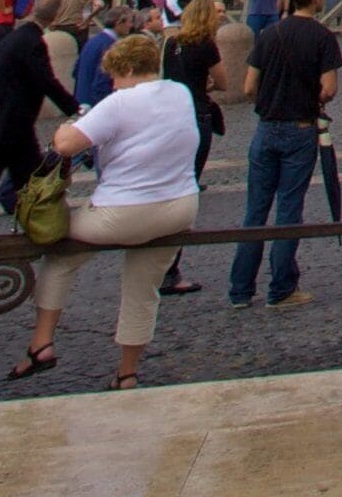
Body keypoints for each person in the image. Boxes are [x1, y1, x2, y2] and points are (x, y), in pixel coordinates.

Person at [12, 34, 201, 390]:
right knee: (144, 289)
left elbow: (67, 145)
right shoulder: (180, 92)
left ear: (128, 69)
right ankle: (127, 372)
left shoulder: (119, 102)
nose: (113, 84)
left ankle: (42, 342)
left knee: (62, 254)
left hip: (123, 212)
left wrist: (63, 130)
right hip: (180, 207)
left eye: (115, 76)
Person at [227, 0, 341, 307]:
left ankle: (240, 290)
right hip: (301, 128)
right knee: (289, 209)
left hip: (265, 128)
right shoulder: (322, 37)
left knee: (255, 211)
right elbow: (330, 89)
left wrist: (269, 102)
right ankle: (281, 289)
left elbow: (249, 87)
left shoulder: (269, 32)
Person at [0, 0, 77, 208]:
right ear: (56, 17)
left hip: (7, 123)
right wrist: (74, 108)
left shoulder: (12, 38)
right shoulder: (33, 42)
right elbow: (47, 81)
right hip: (12, 125)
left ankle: (38, 223)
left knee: (25, 178)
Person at [155, 0, 227, 300]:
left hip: (170, 117)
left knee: (168, 189)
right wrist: (206, 82)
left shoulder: (171, 44)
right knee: (186, 191)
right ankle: (170, 271)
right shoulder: (206, 46)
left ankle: (156, 264)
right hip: (196, 117)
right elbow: (223, 82)